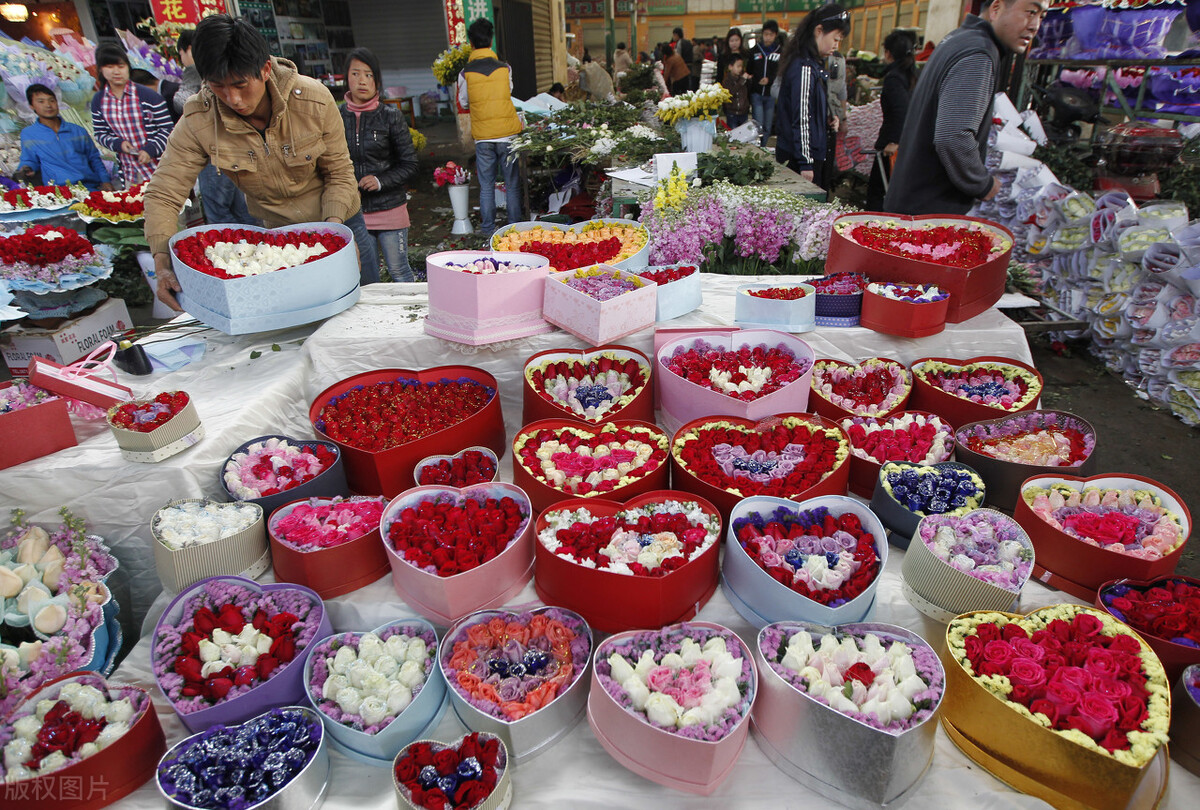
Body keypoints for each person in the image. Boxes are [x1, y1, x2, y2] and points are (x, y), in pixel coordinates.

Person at [145, 14, 378, 309]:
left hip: (340, 222)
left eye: (241, 84)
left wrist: (334, 239)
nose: (233, 98)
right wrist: (162, 262)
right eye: (218, 87)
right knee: (302, 320)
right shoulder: (199, 118)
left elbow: (340, 173)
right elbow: (164, 191)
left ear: (265, 69)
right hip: (278, 242)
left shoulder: (312, 99)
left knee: (364, 307)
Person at [885, 0, 1048, 214]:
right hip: (929, 216)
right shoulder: (977, 54)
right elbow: (953, 136)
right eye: (1030, 12)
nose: (1035, 25)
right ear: (996, 8)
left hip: (913, 203)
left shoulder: (958, 39)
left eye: (1041, 16)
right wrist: (983, 183)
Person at [340, 47, 419, 283]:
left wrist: (380, 181)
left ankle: (411, 316)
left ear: (377, 80)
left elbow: (410, 163)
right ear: (347, 77)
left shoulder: (390, 116)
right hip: (354, 213)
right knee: (366, 276)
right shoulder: (335, 117)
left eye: (368, 75)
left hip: (390, 208)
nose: (361, 81)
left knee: (399, 271)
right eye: (355, 74)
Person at [175, 27, 257, 227]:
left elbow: (182, 101)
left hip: (217, 152)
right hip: (237, 149)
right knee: (242, 209)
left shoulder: (199, 72)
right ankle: (254, 244)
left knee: (219, 211)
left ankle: (238, 249)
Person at [457, 17, 525, 237]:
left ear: (471, 42)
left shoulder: (464, 72)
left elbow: (464, 102)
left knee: (486, 185)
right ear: (491, 40)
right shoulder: (505, 68)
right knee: (512, 183)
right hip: (508, 134)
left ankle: (487, 231)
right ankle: (514, 229)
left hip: (484, 137)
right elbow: (509, 91)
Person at [775, 5, 851, 185]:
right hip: (800, 159)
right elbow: (801, 118)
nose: (836, 45)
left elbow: (810, 107)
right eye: (835, 38)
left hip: (808, 153)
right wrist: (805, 162)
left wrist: (825, 120)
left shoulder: (812, 65)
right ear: (819, 31)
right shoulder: (804, 68)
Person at [90, 43, 173, 187]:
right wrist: (118, 144)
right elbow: (100, 133)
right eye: (110, 67)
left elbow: (169, 131)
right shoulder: (99, 100)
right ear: (101, 70)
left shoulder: (149, 96)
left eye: (121, 66)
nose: (116, 72)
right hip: (130, 174)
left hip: (160, 170)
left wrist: (150, 150)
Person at [17, 84, 112, 191]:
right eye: (41, 101)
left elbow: (94, 158)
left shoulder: (77, 130)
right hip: (58, 192)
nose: (48, 105)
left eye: (51, 100)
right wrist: (26, 168)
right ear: (32, 106)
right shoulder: (29, 133)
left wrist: (105, 181)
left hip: (88, 187)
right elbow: (29, 159)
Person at [866, 30, 917, 210]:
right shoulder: (911, 75)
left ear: (888, 53)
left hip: (891, 146)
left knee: (879, 194)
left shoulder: (894, 78)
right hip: (907, 143)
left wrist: (894, 141)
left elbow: (900, 110)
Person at [749, 20, 782, 147]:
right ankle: (756, 147)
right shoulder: (755, 51)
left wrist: (770, 80)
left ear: (775, 35)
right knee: (758, 123)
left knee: (768, 125)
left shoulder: (779, 52)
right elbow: (750, 70)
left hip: (770, 94)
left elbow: (781, 72)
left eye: (771, 35)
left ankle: (763, 147)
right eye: (766, 34)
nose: (768, 37)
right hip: (757, 93)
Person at [822, 47, 847, 189]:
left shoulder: (838, 59)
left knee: (829, 159)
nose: (835, 43)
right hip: (816, 118)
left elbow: (842, 91)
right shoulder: (807, 59)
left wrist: (843, 119)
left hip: (832, 116)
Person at [721, 55, 750, 129]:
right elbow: (730, 93)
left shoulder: (743, 79)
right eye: (738, 66)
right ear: (730, 67)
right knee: (733, 134)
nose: (740, 69)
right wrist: (742, 81)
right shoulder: (727, 80)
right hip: (732, 113)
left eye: (741, 66)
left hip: (743, 112)